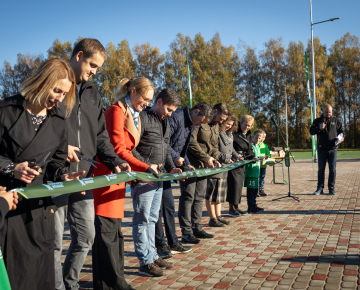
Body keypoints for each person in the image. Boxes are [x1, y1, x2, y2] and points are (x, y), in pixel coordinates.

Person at [0, 58, 85, 290]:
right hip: (10, 207)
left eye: (64, 93)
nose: (59, 98)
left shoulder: (58, 122)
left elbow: (55, 165)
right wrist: (11, 168)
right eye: (56, 90)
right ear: (41, 81)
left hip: (40, 212)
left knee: (41, 277)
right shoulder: (6, 112)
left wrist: (63, 177)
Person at [53, 39, 130, 290]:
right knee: (54, 243)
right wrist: (58, 150)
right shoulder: (54, 86)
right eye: (92, 64)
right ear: (79, 56)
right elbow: (39, 127)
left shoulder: (93, 94)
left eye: (98, 67)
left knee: (86, 237)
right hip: (54, 177)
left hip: (83, 177)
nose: (95, 71)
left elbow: (101, 136)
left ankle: (70, 283)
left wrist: (115, 161)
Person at [91, 77, 156, 290]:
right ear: (134, 91)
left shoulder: (131, 113)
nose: (147, 103)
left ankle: (113, 282)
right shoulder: (116, 111)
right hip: (105, 178)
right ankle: (112, 283)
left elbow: (128, 150)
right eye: (146, 98)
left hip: (118, 178)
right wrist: (145, 168)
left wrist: (140, 168)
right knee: (107, 235)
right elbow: (119, 150)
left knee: (115, 233)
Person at [131, 88, 183, 277]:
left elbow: (166, 148)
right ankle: (144, 262)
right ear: (159, 102)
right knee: (142, 219)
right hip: (144, 177)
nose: (170, 114)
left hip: (159, 175)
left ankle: (152, 254)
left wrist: (170, 168)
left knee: (153, 218)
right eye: (168, 109)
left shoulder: (165, 121)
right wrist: (146, 166)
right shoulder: (142, 118)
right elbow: (131, 148)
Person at [155, 102, 213, 259]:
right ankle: (160, 245)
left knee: (168, 207)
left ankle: (173, 242)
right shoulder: (177, 118)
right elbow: (165, 143)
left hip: (169, 166)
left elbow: (182, 148)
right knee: (157, 211)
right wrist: (176, 158)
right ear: (197, 111)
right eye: (201, 120)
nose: (200, 124)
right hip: (158, 167)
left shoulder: (191, 123)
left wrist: (186, 163)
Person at [180, 103, 229, 244]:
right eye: (220, 118)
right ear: (214, 112)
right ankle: (186, 231)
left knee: (199, 197)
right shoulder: (200, 121)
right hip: (192, 165)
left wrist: (214, 158)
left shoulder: (215, 126)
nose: (221, 121)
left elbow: (214, 145)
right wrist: (206, 158)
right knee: (188, 197)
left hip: (205, 167)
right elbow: (191, 142)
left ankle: (197, 227)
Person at [206, 114, 241, 227]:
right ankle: (212, 218)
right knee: (211, 195)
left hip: (225, 169)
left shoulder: (230, 134)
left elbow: (231, 148)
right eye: (227, 124)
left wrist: (237, 156)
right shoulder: (216, 132)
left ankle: (219, 216)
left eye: (231, 125)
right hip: (215, 167)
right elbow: (213, 150)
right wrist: (226, 158)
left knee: (220, 195)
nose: (229, 126)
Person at [310, 104, 344, 195]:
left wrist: (341, 138)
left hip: (333, 149)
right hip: (322, 149)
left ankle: (331, 188)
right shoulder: (317, 121)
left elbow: (341, 132)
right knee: (321, 169)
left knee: (332, 169)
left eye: (330, 112)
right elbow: (311, 131)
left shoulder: (336, 120)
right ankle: (319, 188)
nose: (328, 113)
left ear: (331, 111)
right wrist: (319, 128)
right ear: (323, 112)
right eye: (326, 112)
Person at [227, 115, 255, 217]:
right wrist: (235, 156)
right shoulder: (233, 132)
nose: (247, 127)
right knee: (233, 185)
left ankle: (236, 207)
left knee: (238, 186)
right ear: (241, 123)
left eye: (249, 126)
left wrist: (253, 157)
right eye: (245, 125)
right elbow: (229, 146)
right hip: (233, 161)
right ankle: (231, 208)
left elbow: (249, 148)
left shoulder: (247, 134)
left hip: (242, 162)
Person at [244, 129, 269, 214]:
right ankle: (250, 207)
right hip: (250, 171)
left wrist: (264, 157)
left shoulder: (258, 146)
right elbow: (247, 156)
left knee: (255, 190)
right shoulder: (250, 146)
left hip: (256, 171)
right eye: (257, 138)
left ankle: (254, 205)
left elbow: (258, 157)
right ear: (253, 136)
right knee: (251, 191)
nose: (258, 140)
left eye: (260, 138)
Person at [258, 132, 271, 197]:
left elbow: (268, 155)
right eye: (261, 137)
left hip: (263, 165)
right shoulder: (255, 145)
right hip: (257, 165)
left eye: (264, 137)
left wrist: (270, 161)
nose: (262, 139)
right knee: (257, 178)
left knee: (262, 177)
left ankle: (261, 189)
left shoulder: (265, 146)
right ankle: (256, 190)